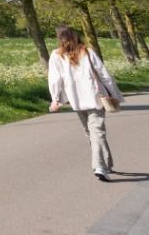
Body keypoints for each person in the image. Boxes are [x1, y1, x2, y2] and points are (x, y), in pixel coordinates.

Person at [46, 25, 123, 181]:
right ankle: (100, 166)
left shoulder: (56, 55)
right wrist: (115, 94)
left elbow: (54, 79)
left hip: (76, 100)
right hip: (95, 98)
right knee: (96, 132)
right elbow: (104, 75)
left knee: (93, 132)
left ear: (59, 39)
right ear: (76, 36)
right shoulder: (87, 52)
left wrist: (55, 99)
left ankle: (104, 163)